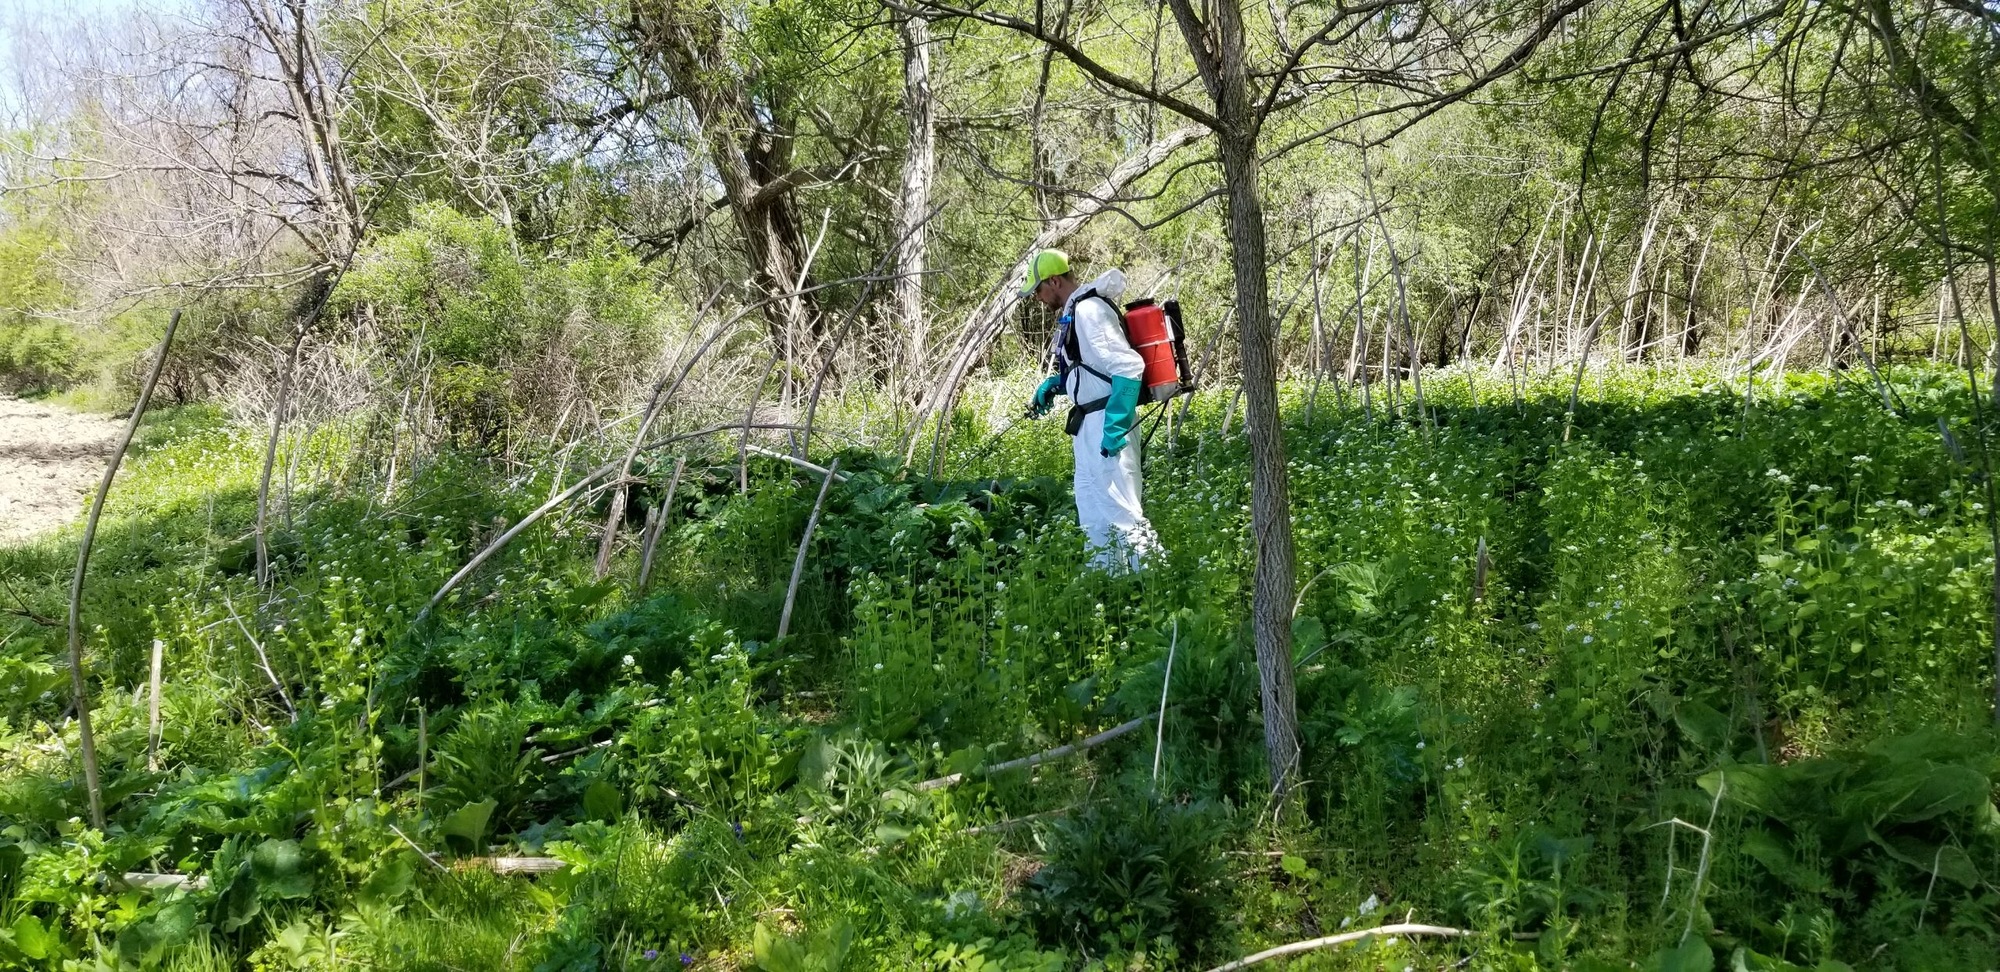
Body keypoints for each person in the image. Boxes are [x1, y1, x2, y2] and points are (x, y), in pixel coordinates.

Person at [1021, 248, 1161, 571]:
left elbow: (1127, 366)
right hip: (1087, 426)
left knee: (1123, 517)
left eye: (1038, 290)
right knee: (1094, 519)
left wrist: (1115, 427)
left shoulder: (1089, 311)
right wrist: (1059, 384)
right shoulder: (1075, 313)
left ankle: (1160, 590)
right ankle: (1109, 592)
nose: (1038, 299)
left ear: (1054, 281)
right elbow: (1093, 367)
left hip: (1105, 424)